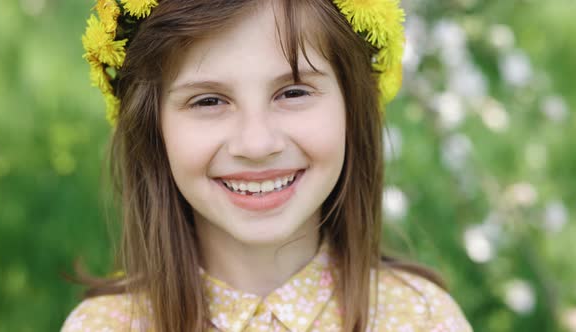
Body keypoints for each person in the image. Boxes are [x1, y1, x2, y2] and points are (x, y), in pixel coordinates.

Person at [62, 0, 473, 331]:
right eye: (208, 100)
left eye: (293, 92)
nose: (256, 144)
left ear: (352, 107)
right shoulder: (103, 326)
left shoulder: (423, 319)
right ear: (153, 128)